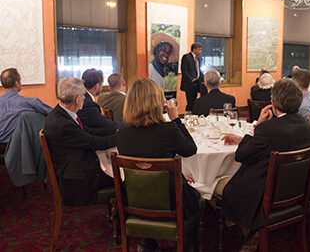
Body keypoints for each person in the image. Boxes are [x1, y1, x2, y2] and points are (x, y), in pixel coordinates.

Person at [115, 78, 200, 252]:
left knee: (148, 190)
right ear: (157, 103)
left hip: (133, 200)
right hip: (171, 202)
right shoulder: (168, 131)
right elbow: (190, 149)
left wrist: (178, 175)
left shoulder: (121, 135)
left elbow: (145, 164)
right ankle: (190, 245)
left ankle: (148, 241)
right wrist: (175, 118)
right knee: (198, 197)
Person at [221, 79, 310, 231]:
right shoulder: (307, 127)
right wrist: (245, 139)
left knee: (218, 183)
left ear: (272, 103)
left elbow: (241, 156)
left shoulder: (267, 130)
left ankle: (242, 225)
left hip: (263, 193)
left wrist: (257, 125)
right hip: (295, 189)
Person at [44, 77, 115, 206]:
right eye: (83, 95)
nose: (84, 98)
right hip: (78, 182)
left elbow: (88, 131)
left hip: (74, 167)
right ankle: (120, 215)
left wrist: (114, 133)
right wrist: (120, 138)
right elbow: (94, 142)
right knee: (124, 177)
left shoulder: (60, 113)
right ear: (77, 99)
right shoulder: (63, 125)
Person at [0, 68, 52, 143]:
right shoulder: (30, 102)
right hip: (18, 149)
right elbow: (54, 113)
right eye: (20, 81)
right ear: (16, 83)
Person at [180, 42, 204, 111]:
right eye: (199, 50)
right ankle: (187, 115)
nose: (200, 51)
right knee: (190, 102)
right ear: (194, 49)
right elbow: (184, 70)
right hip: (189, 84)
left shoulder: (199, 59)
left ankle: (194, 115)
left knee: (195, 102)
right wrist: (191, 79)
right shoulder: (186, 57)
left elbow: (199, 70)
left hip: (197, 83)